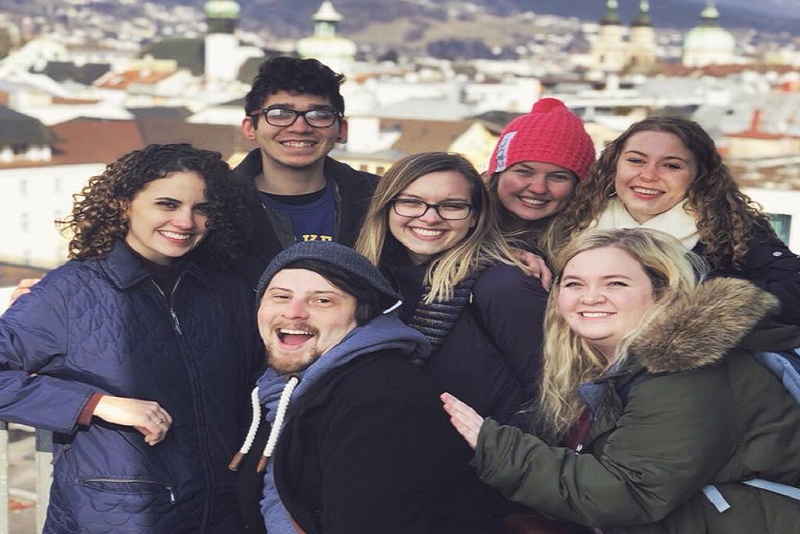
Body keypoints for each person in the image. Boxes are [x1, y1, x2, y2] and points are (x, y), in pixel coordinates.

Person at [443, 228, 800, 534]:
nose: (591, 297)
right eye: (574, 283)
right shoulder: (607, 365)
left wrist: (495, 446)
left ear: (661, 292)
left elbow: (629, 492)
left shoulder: (685, 368)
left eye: (615, 283)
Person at [0, 144, 264, 533]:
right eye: (167, 204)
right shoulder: (71, 291)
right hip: (112, 517)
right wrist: (95, 403)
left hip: (221, 514)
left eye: (202, 209)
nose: (186, 222)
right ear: (125, 204)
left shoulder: (225, 289)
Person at [230, 241, 503, 534]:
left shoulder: (385, 400)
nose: (294, 312)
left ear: (362, 314)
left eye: (322, 300)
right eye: (281, 296)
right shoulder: (275, 389)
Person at [545, 115, 800, 325]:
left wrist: (690, 296)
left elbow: (794, 291)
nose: (648, 175)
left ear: (699, 175)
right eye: (636, 161)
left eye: (671, 166)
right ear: (614, 164)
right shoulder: (577, 220)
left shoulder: (728, 228)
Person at [355, 151, 548, 423]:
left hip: (482, 457)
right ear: (386, 208)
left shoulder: (503, 286)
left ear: (475, 216)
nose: (431, 218)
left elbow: (551, 393)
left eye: (452, 206)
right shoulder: (365, 281)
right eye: (411, 202)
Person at [235, 55, 380, 287]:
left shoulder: (380, 199)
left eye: (319, 115)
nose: (300, 127)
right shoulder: (215, 203)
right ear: (250, 128)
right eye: (280, 114)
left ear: (341, 130)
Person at [485, 97, 595, 254]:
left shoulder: (591, 245)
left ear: (579, 186)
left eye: (558, 177)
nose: (538, 188)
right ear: (497, 173)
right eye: (524, 172)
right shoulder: (454, 224)